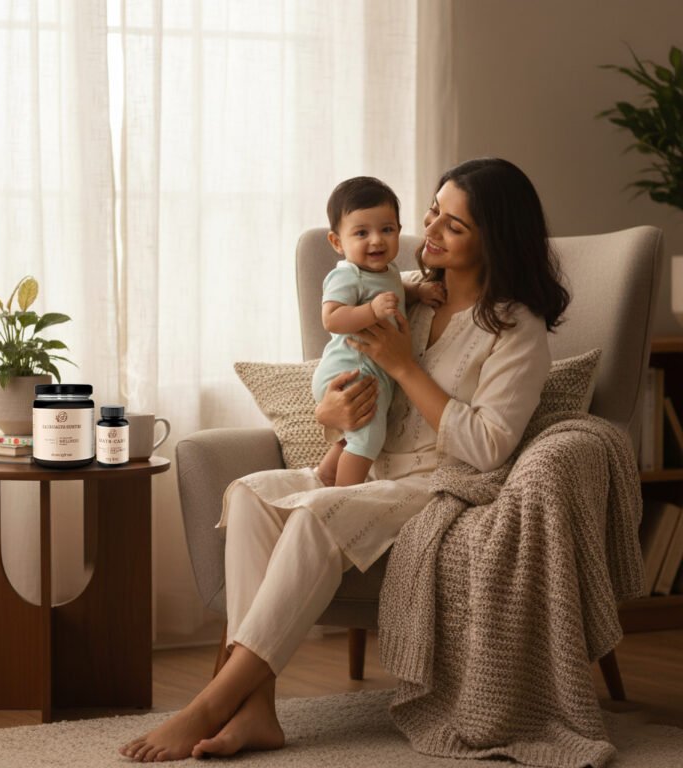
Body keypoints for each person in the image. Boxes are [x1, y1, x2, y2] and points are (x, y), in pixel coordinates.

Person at [119, 157, 570, 763]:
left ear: (496, 240)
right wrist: (330, 416)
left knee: (315, 515)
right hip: (367, 467)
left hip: (440, 486)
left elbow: (490, 445)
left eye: (453, 226)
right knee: (251, 494)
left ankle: (211, 702)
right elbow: (350, 374)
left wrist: (407, 367)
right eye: (434, 209)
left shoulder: (517, 328)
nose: (429, 230)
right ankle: (257, 712)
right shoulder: (401, 292)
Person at [314, 176, 446, 487]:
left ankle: (327, 474)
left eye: (386, 229)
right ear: (337, 242)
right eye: (361, 233)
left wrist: (416, 292)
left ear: (399, 231)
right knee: (368, 440)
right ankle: (345, 496)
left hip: (369, 371)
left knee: (354, 435)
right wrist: (370, 312)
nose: (376, 240)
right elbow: (331, 319)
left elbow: (394, 289)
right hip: (351, 370)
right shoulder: (345, 275)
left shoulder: (387, 272)